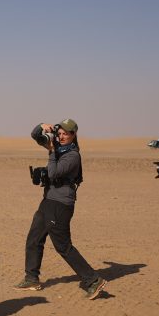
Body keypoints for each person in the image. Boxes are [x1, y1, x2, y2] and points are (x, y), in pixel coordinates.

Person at [14, 119, 107, 299]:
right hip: (48, 201)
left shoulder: (72, 155)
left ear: (73, 135)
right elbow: (35, 135)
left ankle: (93, 280)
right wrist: (42, 126)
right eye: (60, 133)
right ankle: (31, 278)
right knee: (34, 238)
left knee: (63, 246)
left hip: (60, 204)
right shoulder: (57, 147)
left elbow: (53, 173)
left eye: (66, 134)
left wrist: (51, 152)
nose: (61, 137)